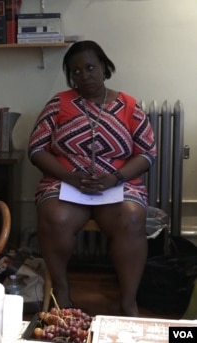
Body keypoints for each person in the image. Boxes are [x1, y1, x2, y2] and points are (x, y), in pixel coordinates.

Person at [27, 40, 157, 317]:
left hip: (118, 184)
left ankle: (128, 300)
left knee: (132, 217)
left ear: (104, 68)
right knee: (54, 217)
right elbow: (36, 149)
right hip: (65, 182)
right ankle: (61, 290)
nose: (84, 75)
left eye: (90, 67)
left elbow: (147, 153)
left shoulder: (129, 106)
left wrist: (116, 177)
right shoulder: (58, 104)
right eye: (76, 71)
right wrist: (69, 177)